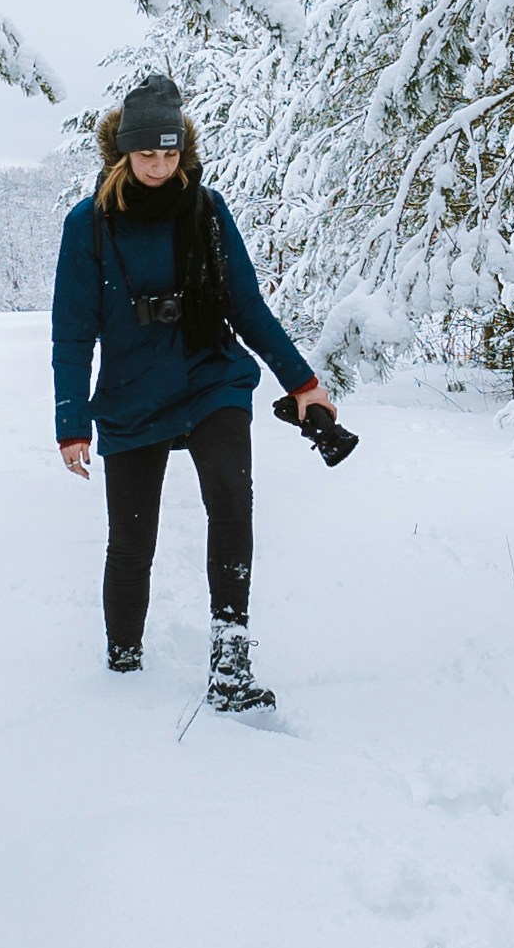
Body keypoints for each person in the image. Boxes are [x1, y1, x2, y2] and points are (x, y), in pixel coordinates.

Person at [51, 72, 334, 711]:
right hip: (130, 393)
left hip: (210, 378)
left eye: (170, 153)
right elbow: (72, 334)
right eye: (146, 153)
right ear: (122, 152)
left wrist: (305, 384)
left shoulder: (206, 212)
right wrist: (72, 423)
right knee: (132, 537)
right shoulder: (88, 227)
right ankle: (122, 664)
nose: (158, 165)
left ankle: (230, 665)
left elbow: (248, 307)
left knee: (232, 501)